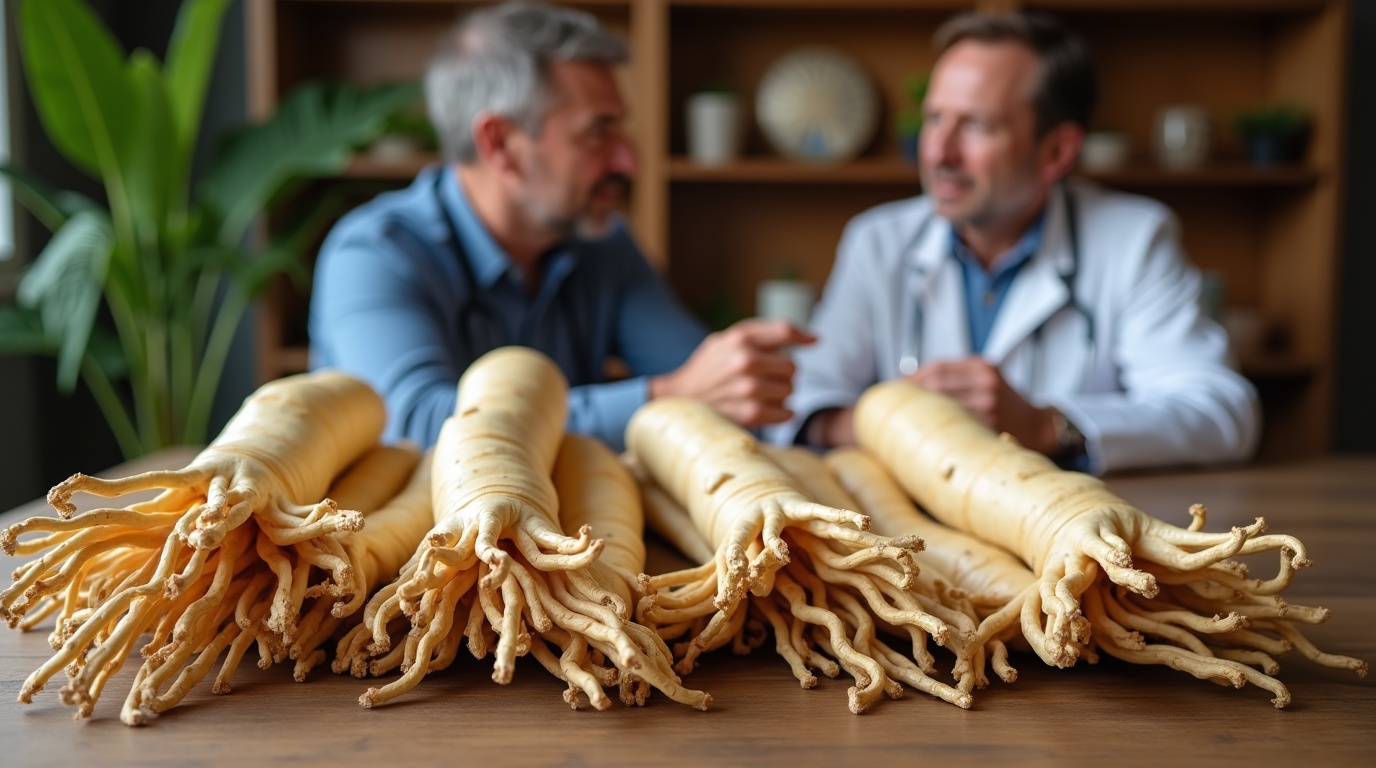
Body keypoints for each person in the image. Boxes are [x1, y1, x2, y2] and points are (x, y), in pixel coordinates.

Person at [310, 1, 811, 451]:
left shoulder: (603, 244)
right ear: (501, 144)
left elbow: (707, 382)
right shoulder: (375, 253)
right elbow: (416, 429)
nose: (629, 159)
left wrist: (741, 381)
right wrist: (666, 396)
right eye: (599, 132)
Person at [777, 11, 1260, 474]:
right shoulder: (877, 241)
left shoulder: (1135, 238)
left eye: (977, 126)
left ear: (1056, 151)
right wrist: (889, 425)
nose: (939, 153)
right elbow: (803, 401)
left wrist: (1045, 426)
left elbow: (1221, 414)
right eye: (935, 118)